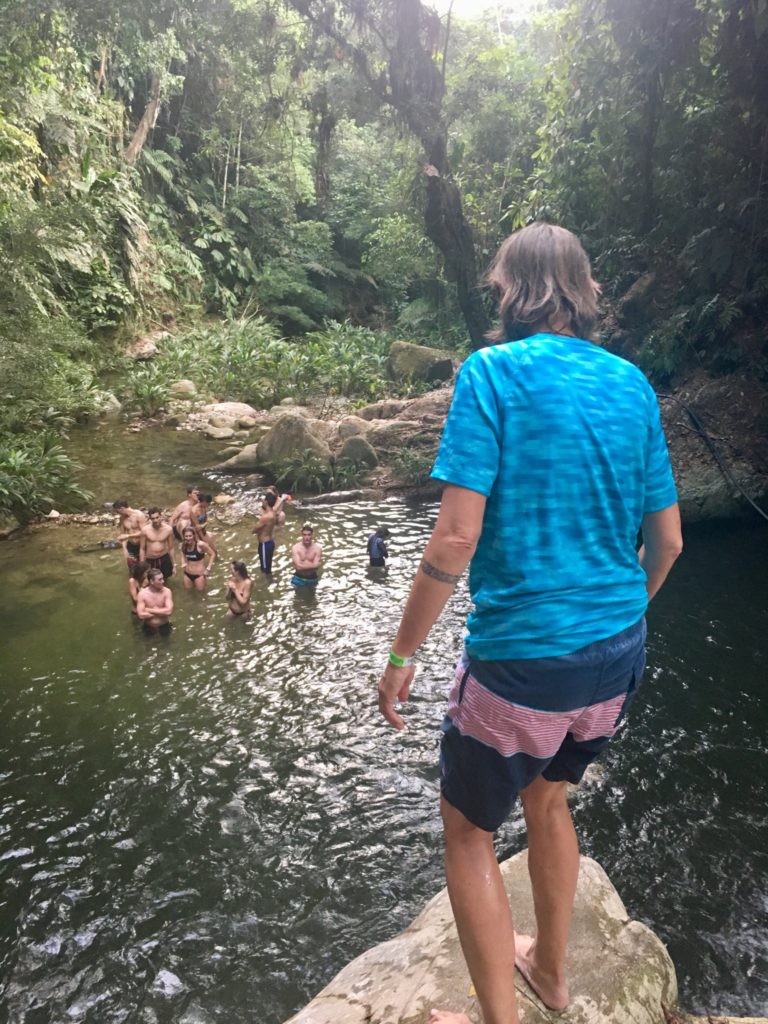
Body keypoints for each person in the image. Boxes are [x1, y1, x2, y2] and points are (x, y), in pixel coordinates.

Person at [376, 222, 683, 1024]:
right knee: (549, 802)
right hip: (618, 654)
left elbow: (454, 536)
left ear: (511, 288)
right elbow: (669, 541)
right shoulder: (631, 385)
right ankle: (550, 972)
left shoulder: (492, 375)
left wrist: (403, 651)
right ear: (581, 291)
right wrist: (612, 619)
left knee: (469, 833)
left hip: (522, 663)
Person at [139, 507, 176, 581]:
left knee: (164, 580)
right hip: (150, 559)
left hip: (164, 558)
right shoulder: (145, 530)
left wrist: (174, 565)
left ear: (161, 516)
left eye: (157, 517)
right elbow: (142, 549)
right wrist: (142, 567)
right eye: (153, 518)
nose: (155, 520)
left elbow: (171, 548)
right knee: (149, 581)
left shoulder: (168, 529)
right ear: (150, 519)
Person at [136, 567, 174, 634]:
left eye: (162, 578)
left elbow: (169, 612)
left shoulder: (167, 591)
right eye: (160, 579)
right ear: (151, 581)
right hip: (148, 626)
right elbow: (141, 615)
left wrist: (149, 610)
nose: (163, 581)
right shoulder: (142, 594)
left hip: (164, 625)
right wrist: (162, 612)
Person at [114, 499, 148, 572]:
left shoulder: (139, 515)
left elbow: (144, 532)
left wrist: (128, 536)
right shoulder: (122, 518)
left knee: (144, 568)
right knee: (132, 569)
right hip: (131, 546)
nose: (118, 513)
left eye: (117, 511)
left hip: (142, 545)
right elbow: (122, 535)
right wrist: (124, 549)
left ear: (122, 508)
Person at [179, 526, 215, 591]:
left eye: (190, 536)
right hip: (187, 574)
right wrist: (183, 562)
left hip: (199, 575)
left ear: (194, 535)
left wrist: (208, 569)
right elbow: (182, 552)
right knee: (188, 592)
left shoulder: (201, 545)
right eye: (186, 536)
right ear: (183, 536)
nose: (188, 538)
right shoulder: (183, 545)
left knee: (200, 595)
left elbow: (212, 554)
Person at [252, 492, 278, 573]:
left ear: (266, 502)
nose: (262, 502)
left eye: (263, 500)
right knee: (267, 566)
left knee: (265, 569)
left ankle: (267, 583)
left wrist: (256, 525)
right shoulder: (272, 513)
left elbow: (254, 530)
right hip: (269, 542)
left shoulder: (266, 517)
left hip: (264, 544)